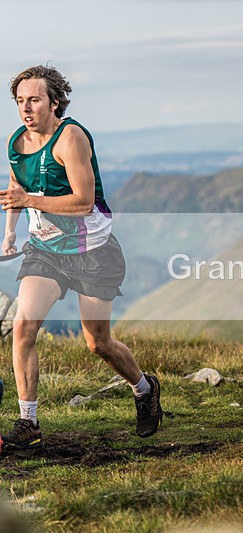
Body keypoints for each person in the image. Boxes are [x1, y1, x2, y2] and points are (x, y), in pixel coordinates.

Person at [0, 65, 162, 450]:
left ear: (54, 102)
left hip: (93, 252)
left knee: (98, 343)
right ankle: (29, 423)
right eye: (20, 101)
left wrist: (29, 200)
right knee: (23, 328)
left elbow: (83, 201)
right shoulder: (17, 142)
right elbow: (15, 188)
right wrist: (10, 232)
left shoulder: (70, 139)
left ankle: (144, 389)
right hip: (46, 251)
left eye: (35, 100)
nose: (26, 108)